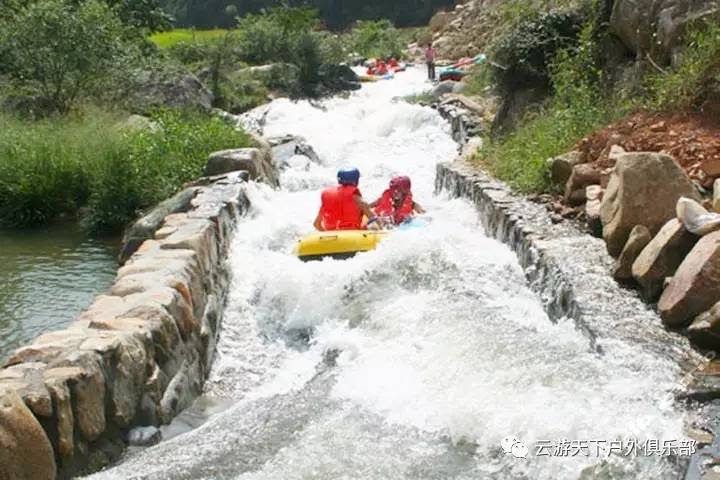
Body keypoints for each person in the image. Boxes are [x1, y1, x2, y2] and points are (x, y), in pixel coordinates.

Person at [314, 168, 379, 231]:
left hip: (331, 234)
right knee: (368, 222)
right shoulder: (355, 197)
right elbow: (374, 219)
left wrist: (326, 234)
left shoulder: (328, 197)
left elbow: (316, 224)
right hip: (353, 234)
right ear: (356, 180)